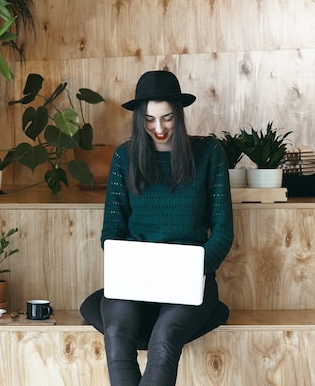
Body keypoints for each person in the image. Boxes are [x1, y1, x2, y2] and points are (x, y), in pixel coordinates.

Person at [80, 70, 234, 386]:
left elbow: (223, 231)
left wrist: (192, 270)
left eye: (167, 118)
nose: (159, 128)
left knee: (165, 338)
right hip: (135, 279)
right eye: (149, 120)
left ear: (179, 114)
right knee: (117, 332)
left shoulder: (208, 154)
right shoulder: (124, 157)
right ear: (139, 119)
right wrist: (128, 262)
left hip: (191, 281)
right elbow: (111, 232)